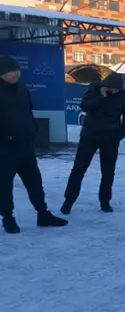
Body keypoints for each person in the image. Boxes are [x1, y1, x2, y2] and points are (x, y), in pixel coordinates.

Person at [0, 55, 69, 234]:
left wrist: (33, 131)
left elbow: (28, 111)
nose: (16, 74)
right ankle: (8, 218)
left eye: (17, 70)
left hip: (25, 145)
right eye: (11, 71)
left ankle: (43, 214)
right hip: (5, 149)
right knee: (5, 186)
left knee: (35, 183)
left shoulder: (22, 89)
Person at [61, 72, 125, 214]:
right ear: (106, 86)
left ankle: (105, 201)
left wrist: (120, 134)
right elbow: (85, 106)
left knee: (108, 171)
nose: (115, 92)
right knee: (79, 169)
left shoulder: (124, 96)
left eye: (117, 89)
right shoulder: (94, 88)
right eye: (112, 89)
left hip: (110, 137)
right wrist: (101, 96)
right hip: (90, 135)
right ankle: (69, 201)